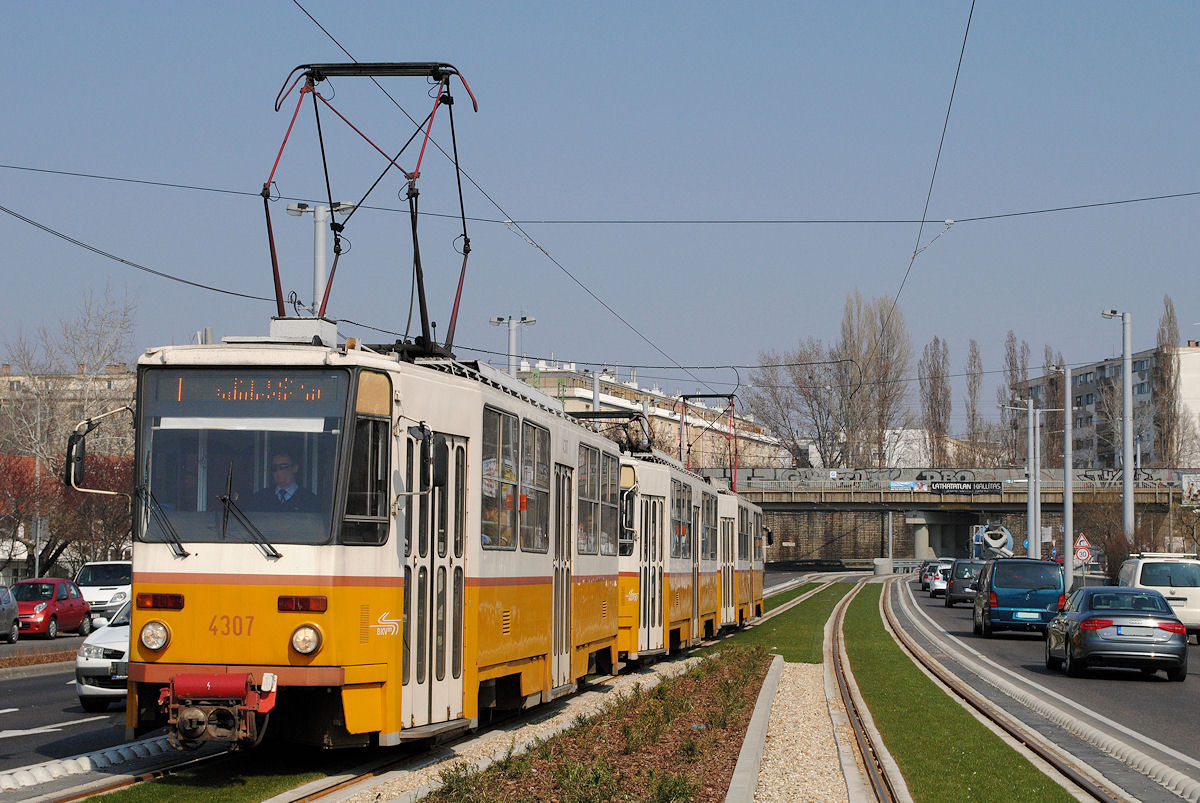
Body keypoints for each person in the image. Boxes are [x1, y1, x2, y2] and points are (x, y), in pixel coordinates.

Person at [251, 452, 319, 512]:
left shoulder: (309, 500)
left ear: (295, 468)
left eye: (282, 467)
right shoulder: (260, 498)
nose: (278, 471)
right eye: (274, 467)